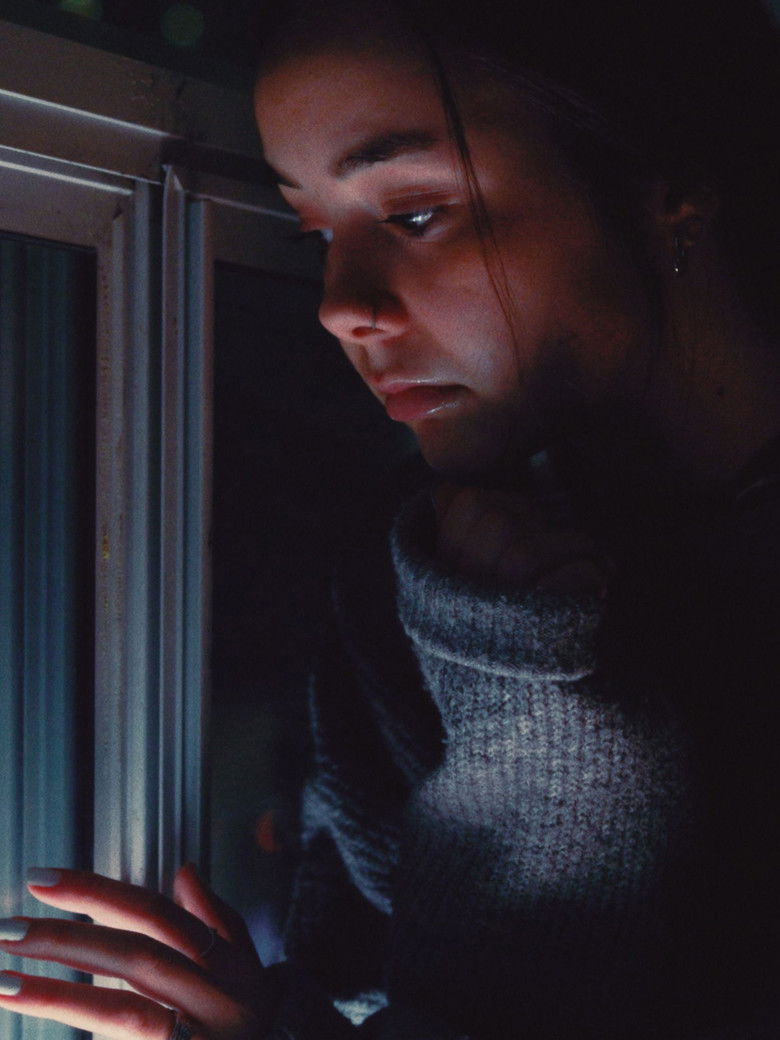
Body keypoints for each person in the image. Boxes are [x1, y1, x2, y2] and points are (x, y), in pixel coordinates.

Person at [0, 0, 778, 1037]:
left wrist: (543, 733)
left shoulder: (477, 610)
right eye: (316, 232)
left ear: (665, 180)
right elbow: (383, 976)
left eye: (414, 215)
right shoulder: (426, 579)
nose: (337, 304)